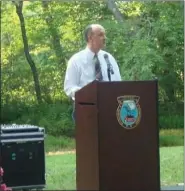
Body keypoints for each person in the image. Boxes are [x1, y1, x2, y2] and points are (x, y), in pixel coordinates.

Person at [64, 24, 122, 120]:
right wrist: (88, 93)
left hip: (110, 108)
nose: (104, 38)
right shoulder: (76, 60)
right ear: (90, 37)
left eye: (104, 35)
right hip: (86, 109)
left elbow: (119, 83)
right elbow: (69, 87)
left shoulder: (108, 58)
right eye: (100, 35)